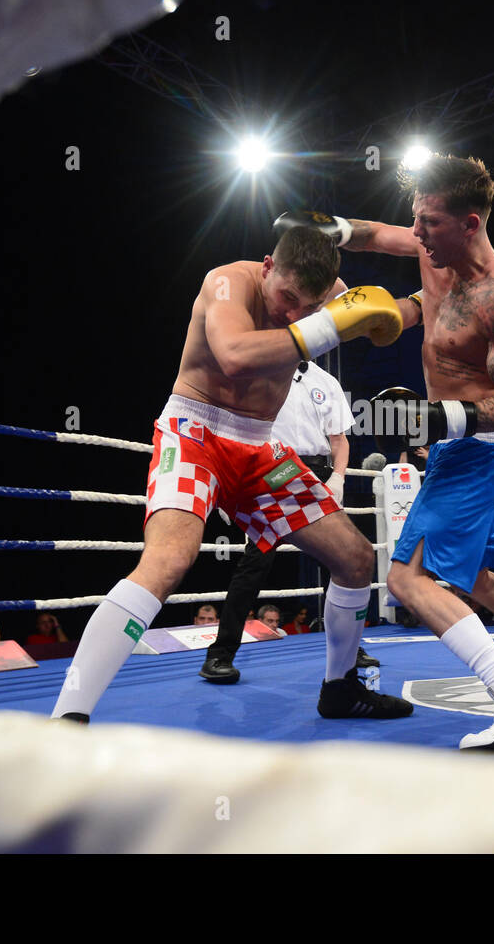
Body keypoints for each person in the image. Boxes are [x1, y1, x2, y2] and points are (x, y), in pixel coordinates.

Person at [285, 153, 494, 750]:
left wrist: (439, 417)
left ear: (471, 224)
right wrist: (331, 228)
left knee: (406, 578)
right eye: (417, 219)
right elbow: (377, 235)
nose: (418, 234)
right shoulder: (434, 249)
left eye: (429, 222)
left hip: (476, 451)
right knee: (475, 573)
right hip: (460, 448)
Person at [50, 226, 413, 724]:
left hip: (260, 446)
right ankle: (68, 717)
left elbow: (382, 288)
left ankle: (341, 688)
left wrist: (404, 303)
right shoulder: (226, 282)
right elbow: (235, 356)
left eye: (307, 307)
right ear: (267, 265)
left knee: (353, 559)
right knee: (168, 560)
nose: (291, 312)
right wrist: (326, 324)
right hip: (194, 430)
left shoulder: (326, 292)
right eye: (285, 297)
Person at [200, 356, 370, 683]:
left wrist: (338, 478)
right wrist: (226, 485)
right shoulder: (257, 371)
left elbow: (339, 441)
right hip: (273, 472)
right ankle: (220, 655)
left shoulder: (325, 381)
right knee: (255, 565)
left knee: (343, 561)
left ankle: (352, 650)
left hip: (316, 473)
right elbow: (233, 432)